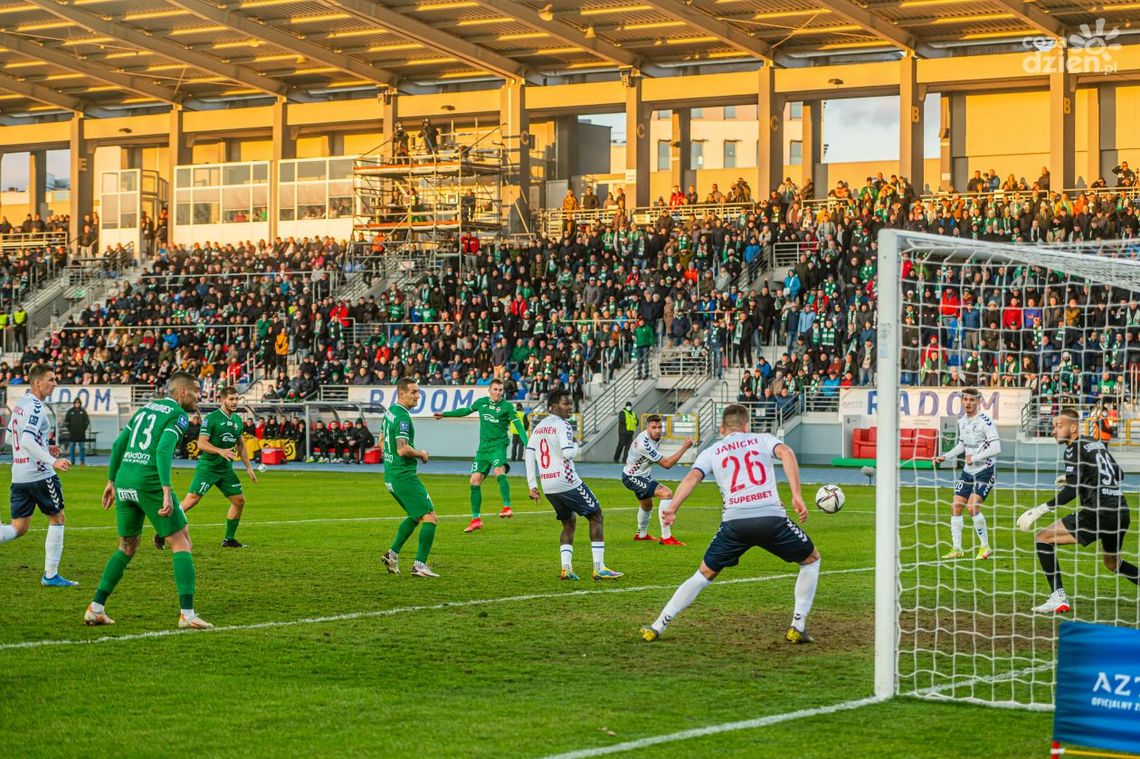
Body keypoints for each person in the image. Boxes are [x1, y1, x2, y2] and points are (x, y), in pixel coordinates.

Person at [640, 403, 820, 644]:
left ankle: (657, 625)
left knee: (703, 574)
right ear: (747, 425)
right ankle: (797, 626)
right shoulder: (762, 439)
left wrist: (673, 506)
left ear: (721, 428)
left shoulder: (713, 450)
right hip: (771, 518)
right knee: (811, 560)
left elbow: (693, 477)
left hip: (735, 523)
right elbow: (786, 452)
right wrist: (796, 494)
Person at [84, 371, 212, 628]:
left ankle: (96, 607)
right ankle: (187, 615)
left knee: (127, 546)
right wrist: (166, 489)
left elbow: (121, 442)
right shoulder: (178, 415)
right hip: (149, 480)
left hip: (124, 479)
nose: (200, 396)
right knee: (182, 541)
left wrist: (111, 480)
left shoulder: (145, 410)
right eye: (197, 391)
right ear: (182, 392)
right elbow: (163, 449)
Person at [1018, 407, 1140, 613]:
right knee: (1113, 563)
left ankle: (1058, 597)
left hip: (1098, 511)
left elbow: (1072, 491)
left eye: (1059, 426)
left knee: (1043, 538)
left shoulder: (1072, 448)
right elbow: (1118, 474)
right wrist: (1077, 478)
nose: (1054, 431)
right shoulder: (1095, 443)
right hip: (1120, 510)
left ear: (1073, 428)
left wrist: (1040, 509)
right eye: (1054, 426)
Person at [525, 390, 622, 581]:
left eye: (570, 403)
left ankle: (566, 569)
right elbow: (568, 453)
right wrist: (577, 445)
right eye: (565, 403)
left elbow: (529, 454)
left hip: (548, 485)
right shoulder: (563, 425)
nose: (570, 407)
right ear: (552, 407)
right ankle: (599, 567)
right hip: (567, 481)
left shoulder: (539, 426)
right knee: (596, 514)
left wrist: (532, 485)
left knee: (568, 521)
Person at [0, 365, 75, 586]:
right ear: (37, 383)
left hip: (19, 475)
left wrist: (45, 447)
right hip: (40, 475)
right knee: (57, 517)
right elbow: (26, 441)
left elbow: (9, 440)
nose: (55, 383)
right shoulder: (36, 407)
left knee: (18, 528)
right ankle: (50, 576)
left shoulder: (20, 404)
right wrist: (53, 460)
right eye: (51, 380)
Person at [155, 386, 256, 551]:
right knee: (191, 501)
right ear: (222, 400)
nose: (235, 402)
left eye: (237, 399)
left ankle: (229, 539)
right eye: (231, 399)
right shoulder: (212, 418)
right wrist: (219, 450)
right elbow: (201, 443)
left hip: (225, 469)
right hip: (208, 467)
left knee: (239, 501)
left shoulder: (238, 420)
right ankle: (162, 531)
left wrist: (249, 468)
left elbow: (241, 445)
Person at [434, 378, 528, 533]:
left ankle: (507, 507)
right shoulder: (482, 402)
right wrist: (444, 414)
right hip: (483, 448)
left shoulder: (507, 407)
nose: (498, 392)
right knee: (474, 480)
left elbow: (518, 425)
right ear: (489, 390)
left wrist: (527, 443)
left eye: (500, 390)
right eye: (495, 389)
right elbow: (465, 411)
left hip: (499, 445)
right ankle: (476, 519)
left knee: (499, 470)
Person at [380, 377, 439, 578]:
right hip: (404, 476)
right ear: (402, 393)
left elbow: (380, 441)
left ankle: (392, 554)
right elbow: (403, 449)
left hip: (391, 475)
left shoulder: (390, 412)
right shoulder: (403, 417)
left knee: (415, 516)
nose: (418, 396)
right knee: (430, 517)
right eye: (414, 392)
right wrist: (421, 454)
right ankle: (419, 565)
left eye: (418, 391)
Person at [933, 387, 997, 560]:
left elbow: (996, 448)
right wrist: (945, 456)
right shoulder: (962, 422)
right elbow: (962, 445)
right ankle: (957, 549)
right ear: (961, 401)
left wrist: (975, 457)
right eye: (965, 400)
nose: (968, 403)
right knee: (955, 507)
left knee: (972, 507)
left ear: (978, 401)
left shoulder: (986, 422)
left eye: (972, 400)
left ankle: (985, 547)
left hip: (985, 471)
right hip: (968, 473)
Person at [623, 414, 693, 546]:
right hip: (633, 477)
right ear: (647, 428)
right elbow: (667, 464)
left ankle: (641, 535)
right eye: (654, 427)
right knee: (666, 494)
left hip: (641, 475)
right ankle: (666, 538)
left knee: (646, 505)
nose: (658, 430)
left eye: (660, 427)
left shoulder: (654, 437)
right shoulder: (645, 444)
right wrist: (684, 447)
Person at [63, 398, 90, 466]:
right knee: (72, 448)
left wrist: (83, 428)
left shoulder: (83, 411)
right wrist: (70, 429)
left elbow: (87, 421)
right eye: (76, 403)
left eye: (78, 403)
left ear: (80, 403)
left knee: (82, 448)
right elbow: (66, 421)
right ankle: (72, 462)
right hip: (72, 434)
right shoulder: (70, 411)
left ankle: (82, 462)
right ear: (74, 403)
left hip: (81, 434)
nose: (77, 404)